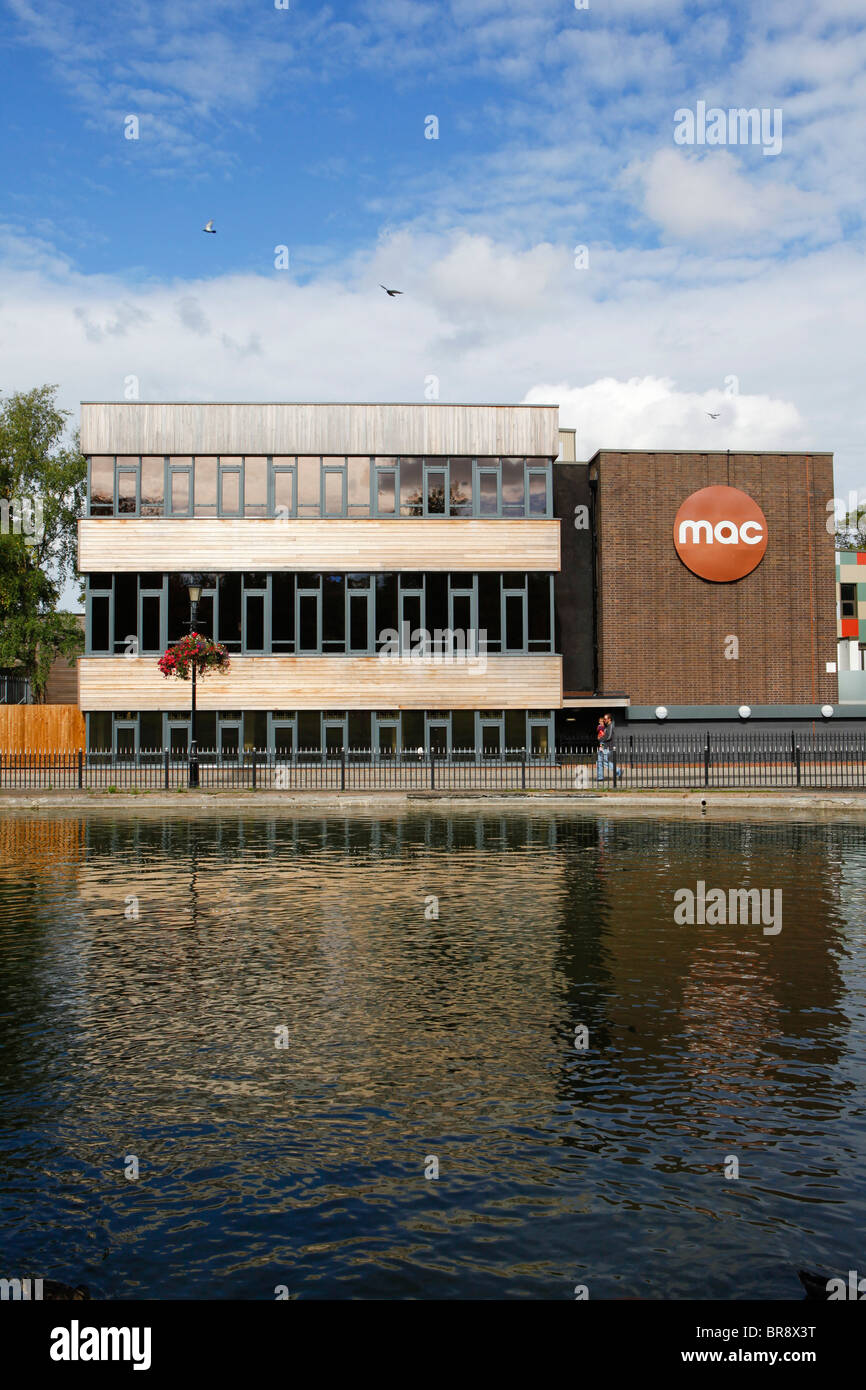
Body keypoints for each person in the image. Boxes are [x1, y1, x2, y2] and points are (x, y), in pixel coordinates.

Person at [596, 713, 622, 783]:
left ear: (609, 719)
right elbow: (604, 736)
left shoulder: (610, 726)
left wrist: (600, 739)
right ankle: (600, 777)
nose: (604, 720)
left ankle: (618, 770)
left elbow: (609, 737)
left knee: (604, 761)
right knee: (599, 761)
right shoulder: (607, 727)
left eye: (605, 719)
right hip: (603, 746)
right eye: (603, 719)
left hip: (608, 747)